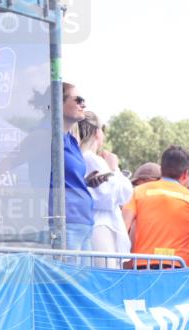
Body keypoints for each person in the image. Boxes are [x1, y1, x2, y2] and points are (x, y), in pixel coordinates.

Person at [123, 145, 189, 268]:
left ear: (162, 169)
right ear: (185, 174)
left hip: (143, 266)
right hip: (178, 268)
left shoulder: (138, 192)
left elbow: (124, 227)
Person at [75, 110, 132, 267]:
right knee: (105, 274)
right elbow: (114, 196)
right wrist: (114, 169)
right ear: (96, 132)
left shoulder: (78, 157)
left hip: (90, 223)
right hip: (101, 225)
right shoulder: (92, 159)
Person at [56, 82, 95, 251]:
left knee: (81, 278)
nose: (83, 105)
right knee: (66, 278)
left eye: (83, 100)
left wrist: (85, 182)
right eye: (78, 100)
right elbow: (6, 165)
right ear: (58, 102)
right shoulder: (44, 135)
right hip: (64, 223)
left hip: (83, 222)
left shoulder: (71, 140)